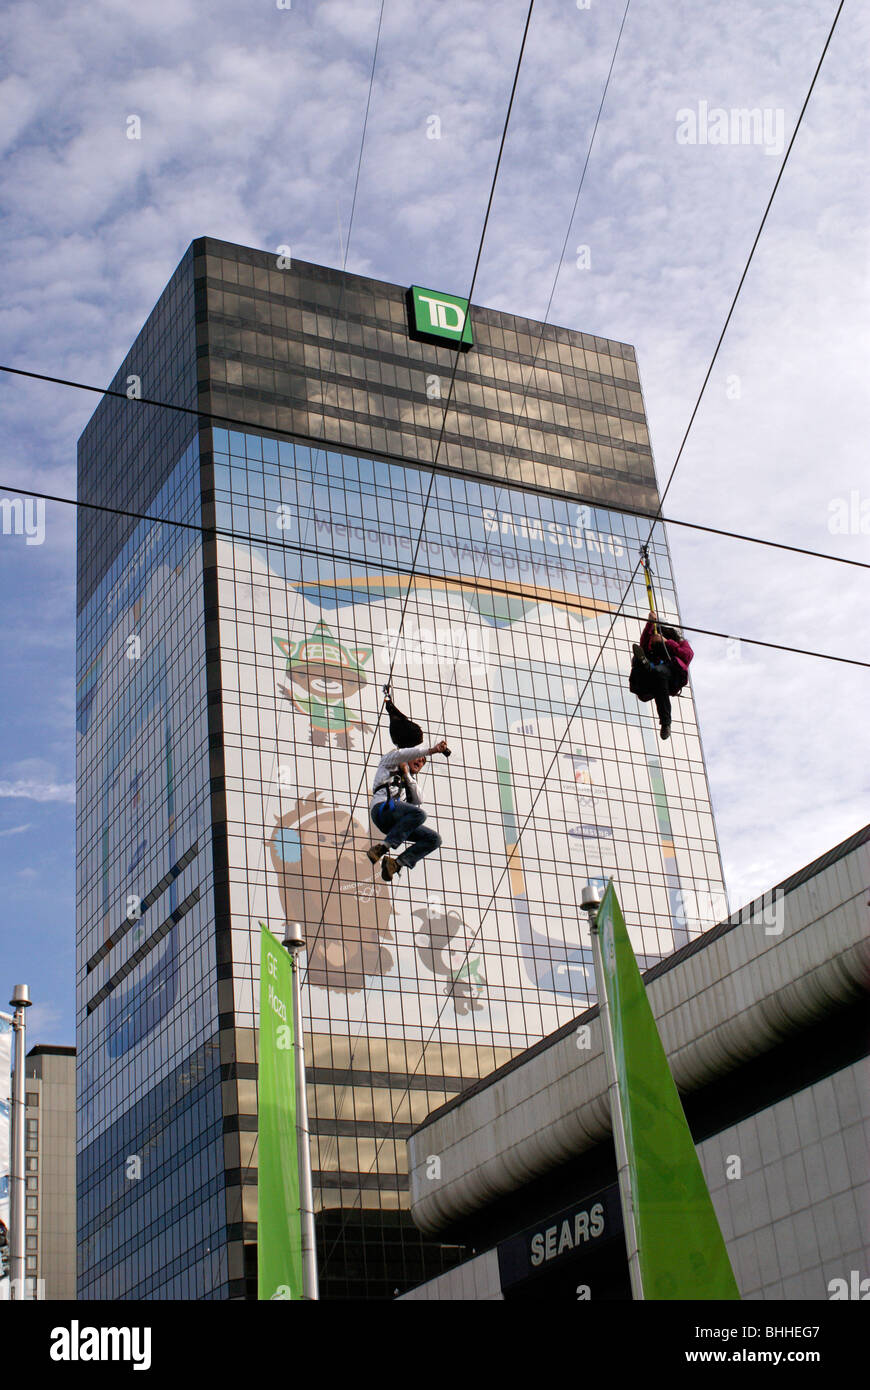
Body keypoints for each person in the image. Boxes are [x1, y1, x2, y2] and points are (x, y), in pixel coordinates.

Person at [367, 738, 449, 882]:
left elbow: (419, 799)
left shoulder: (410, 781)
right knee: (419, 814)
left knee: (434, 839)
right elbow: (407, 753)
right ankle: (383, 847)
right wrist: (432, 751)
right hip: (382, 809)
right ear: (408, 757)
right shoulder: (389, 762)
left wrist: (406, 775)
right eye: (418, 758)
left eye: (423, 761)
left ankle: (396, 864)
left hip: (393, 823)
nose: (420, 761)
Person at [629, 612, 694, 740]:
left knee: (659, 672)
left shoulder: (679, 643)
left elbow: (688, 655)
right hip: (653, 680)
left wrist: (666, 642)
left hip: (672, 675)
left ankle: (665, 723)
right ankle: (647, 667)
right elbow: (643, 644)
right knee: (638, 660)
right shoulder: (651, 646)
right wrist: (650, 623)